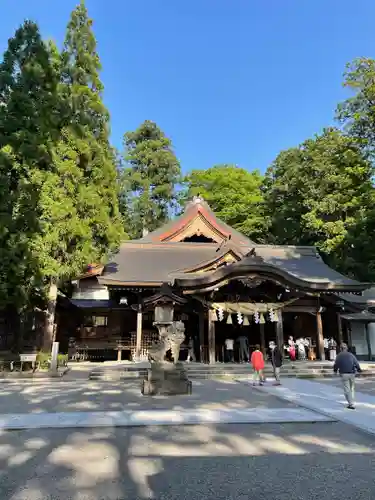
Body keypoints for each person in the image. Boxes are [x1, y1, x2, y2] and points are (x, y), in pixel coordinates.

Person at [333, 343, 362, 410]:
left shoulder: (339, 355)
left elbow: (336, 364)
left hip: (344, 374)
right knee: (351, 388)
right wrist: (359, 370)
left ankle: (351, 403)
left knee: (347, 389)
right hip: (352, 373)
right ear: (347, 348)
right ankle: (352, 401)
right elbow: (356, 363)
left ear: (340, 348)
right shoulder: (351, 355)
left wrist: (335, 371)